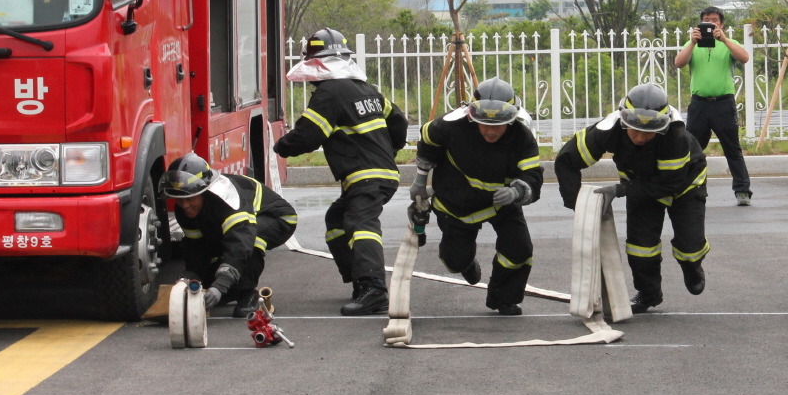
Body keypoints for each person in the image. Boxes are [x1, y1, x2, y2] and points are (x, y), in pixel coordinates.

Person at [274, 28, 408, 316]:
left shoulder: (329, 93)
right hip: (379, 172)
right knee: (336, 219)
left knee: (361, 223)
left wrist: (281, 146)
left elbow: (309, 135)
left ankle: (373, 289)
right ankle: (359, 281)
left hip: (365, 175)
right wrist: (390, 151)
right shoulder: (366, 89)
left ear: (317, 64)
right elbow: (399, 122)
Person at [554, 83, 709, 314]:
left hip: (684, 184)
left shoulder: (675, 136)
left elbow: (669, 184)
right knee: (640, 248)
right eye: (634, 130)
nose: (640, 137)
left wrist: (619, 190)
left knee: (690, 245)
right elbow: (567, 160)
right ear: (623, 120)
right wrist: (578, 203)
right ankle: (649, 293)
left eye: (649, 131)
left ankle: (692, 266)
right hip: (640, 184)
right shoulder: (608, 130)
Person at [409, 77, 544, 315]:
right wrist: (420, 181)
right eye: (484, 123)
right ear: (472, 115)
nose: (491, 131)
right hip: (456, 203)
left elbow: (533, 175)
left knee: (519, 250)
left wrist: (517, 192)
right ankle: (466, 264)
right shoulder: (448, 126)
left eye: (498, 124)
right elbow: (428, 143)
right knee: (454, 261)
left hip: (501, 203)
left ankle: (504, 298)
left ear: (511, 118)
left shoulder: (522, 137)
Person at [160, 152, 299, 316]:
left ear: (204, 191)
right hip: (243, 227)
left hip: (277, 218)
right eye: (179, 199)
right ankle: (233, 291)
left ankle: (248, 294)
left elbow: (239, 245)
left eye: (190, 198)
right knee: (212, 272)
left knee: (251, 240)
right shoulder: (184, 210)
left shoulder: (228, 201)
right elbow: (197, 248)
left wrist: (220, 286)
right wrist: (189, 277)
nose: (185, 205)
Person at [673, 6, 753, 206]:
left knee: (732, 149)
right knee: (692, 149)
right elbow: (679, 63)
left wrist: (724, 39)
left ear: (721, 24)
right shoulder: (691, 44)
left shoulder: (729, 43)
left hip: (723, 104)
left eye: (715, 20)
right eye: (706, 20)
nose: (710, 23)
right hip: (699, 104)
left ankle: (742, 191)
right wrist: (692, 42)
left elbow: (744, 58)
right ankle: (688, 189)